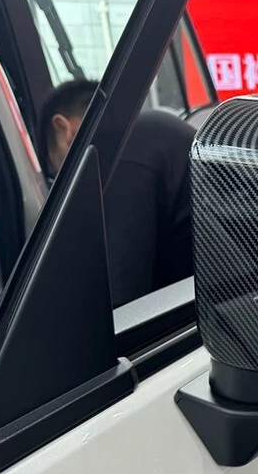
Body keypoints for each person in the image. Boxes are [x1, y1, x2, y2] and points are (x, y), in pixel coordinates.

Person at [38, 79, 196, 307]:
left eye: (58, 170)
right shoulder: (144, 132)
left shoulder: (119, 158)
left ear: (63, 129)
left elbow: (124, 301)